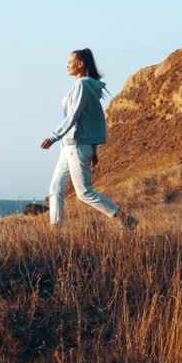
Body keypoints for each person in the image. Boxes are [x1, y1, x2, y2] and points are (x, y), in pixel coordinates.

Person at [40, 48, 137, 229]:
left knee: (84, 193)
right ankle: (55, 231)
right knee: (55, 189)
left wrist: (53, 136)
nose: (67, 65)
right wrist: (94, 150)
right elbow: (91, 120)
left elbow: (73, 116)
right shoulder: (84, 86)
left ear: (80, 64)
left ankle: (125, 219)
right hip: (70, 147)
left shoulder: (82, 86)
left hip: (76, 147)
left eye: (70, 62)